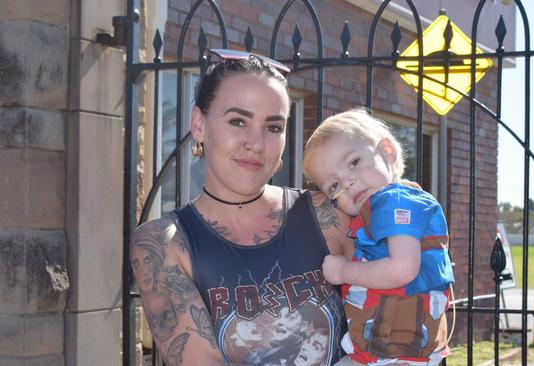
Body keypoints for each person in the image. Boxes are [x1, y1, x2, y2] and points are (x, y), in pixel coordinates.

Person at [130, 50, 353, 365]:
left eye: (273, 127)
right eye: (238, 121)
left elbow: (397, 315)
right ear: (199, 124)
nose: (256, 142)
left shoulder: (327, 214)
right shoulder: (163, 243)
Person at [303, 108, 455, 366]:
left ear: (388, 152)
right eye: (334, 186)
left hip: (399, 349)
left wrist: (343, 272)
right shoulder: (386, 206)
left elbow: (402, 269)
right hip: (384, 347)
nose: (348, 182)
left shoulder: (395, 200)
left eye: (353, 162)